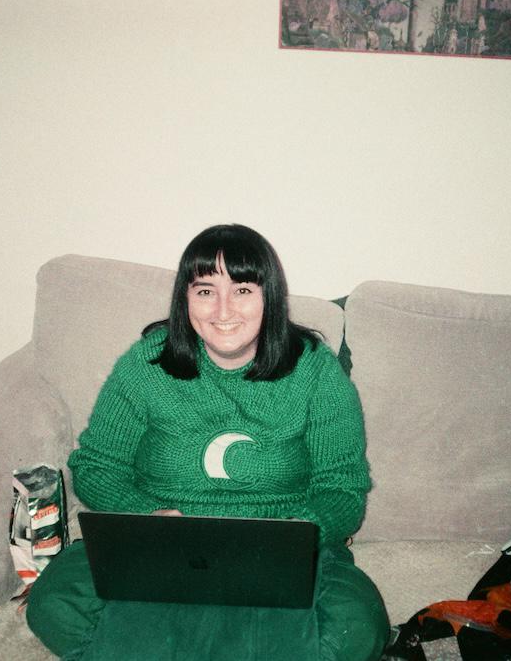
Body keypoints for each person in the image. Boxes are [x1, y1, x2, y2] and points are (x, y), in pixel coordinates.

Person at [26, 224, 389, 660]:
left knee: (359, 624)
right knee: (54, 604)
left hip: (278, 551)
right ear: (186, 298)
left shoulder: (316, 371)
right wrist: (150, 516)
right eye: (204, 291)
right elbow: (97, 465)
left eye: (241, 290)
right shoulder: (146, 363)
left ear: (269, 296)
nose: (222, 310)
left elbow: (343, 488)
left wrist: (300, 531)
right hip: (162, 545)